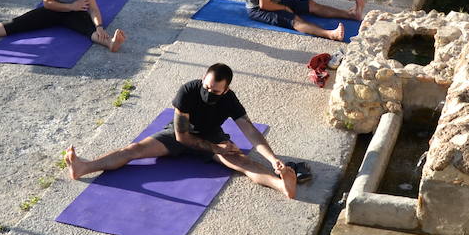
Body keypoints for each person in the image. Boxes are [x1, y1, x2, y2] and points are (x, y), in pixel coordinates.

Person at [65, 64, 298, 199]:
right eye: (206, 87)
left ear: (226, 90)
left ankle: (282, 185)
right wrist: (218, 148)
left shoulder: (230, 100)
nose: (208, 93)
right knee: (133, 150)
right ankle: (84, 166)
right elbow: (182, 137)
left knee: (242, 162)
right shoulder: (188, 91)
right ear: (202, 79)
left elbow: (251, 131)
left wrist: (273, 159)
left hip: (211, 135)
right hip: (180, 134)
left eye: (215, 91)